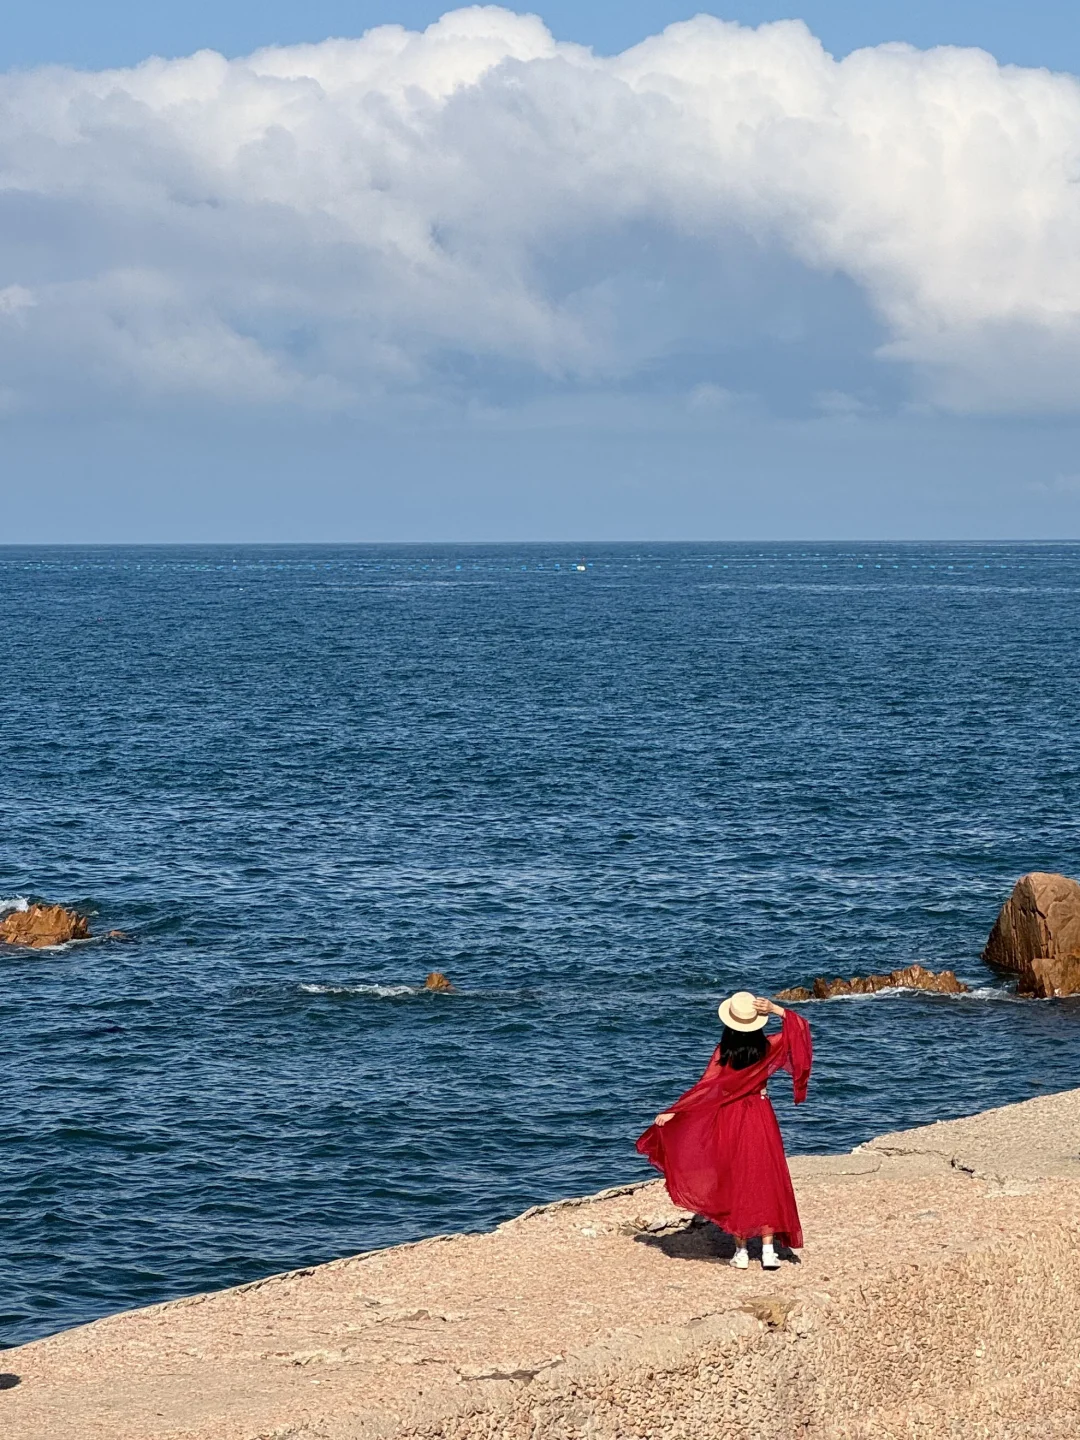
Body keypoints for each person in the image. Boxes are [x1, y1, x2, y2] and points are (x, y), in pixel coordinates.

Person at [636, 991, 812, 1270]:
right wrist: (776, 1009)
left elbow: (704, 1087)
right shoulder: (768, 1047)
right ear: (757, 1023)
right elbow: (800, 1029)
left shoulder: (723, 1053)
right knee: (764, 1176)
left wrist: (675, 1111)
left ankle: (741, 1252)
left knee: (735, 1178)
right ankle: (768, 1251)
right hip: (760, 1115)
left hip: (730, 1118)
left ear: (729, 1024)